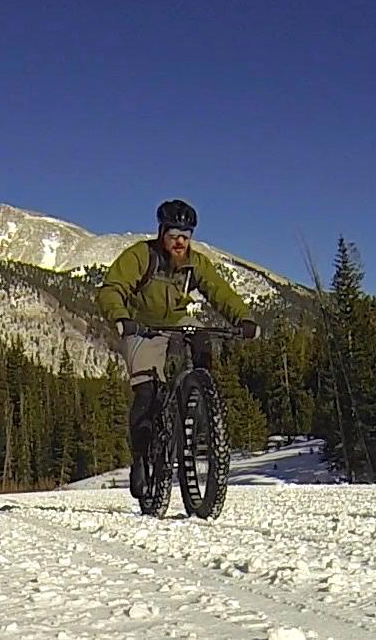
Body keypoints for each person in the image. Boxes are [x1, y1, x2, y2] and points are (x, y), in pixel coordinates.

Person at [96, 199, 261, 497]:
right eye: (174, 236)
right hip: (142, 326)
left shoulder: (194, 263)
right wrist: (121, 317)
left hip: (178, 321)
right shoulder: (141, 256)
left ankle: (199, 400)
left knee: (201, 340)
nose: (180, 243)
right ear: (162, 233)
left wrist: (244, 319)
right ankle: (142, 458)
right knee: (146, 391)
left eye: (186, 236)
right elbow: (113, 288)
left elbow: (220, 292)